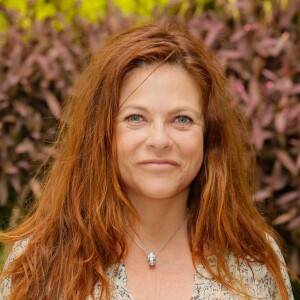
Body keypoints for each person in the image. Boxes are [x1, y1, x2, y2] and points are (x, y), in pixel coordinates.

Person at [0, 22, 295, 300]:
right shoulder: (39, 261)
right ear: (101, 133)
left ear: (209, 135)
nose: (159, 140)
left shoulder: (254, 262)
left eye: (182, 119)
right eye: (135, 118)